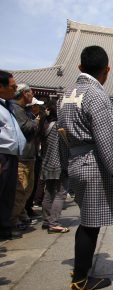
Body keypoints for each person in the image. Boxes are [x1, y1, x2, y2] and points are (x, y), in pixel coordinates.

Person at [57, 46, 113, 289]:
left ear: (80, 67)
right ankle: (80, 280)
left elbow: (60, 135)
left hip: (74, 160)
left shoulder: (66, 94)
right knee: (90, 225)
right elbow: (106, 137)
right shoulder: (96, 95)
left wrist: (65, 166)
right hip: (92, 163)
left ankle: (80, 273)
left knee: (87, 219)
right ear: (106, 69)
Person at [10, 84, 40, 231]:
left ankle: (20, 215)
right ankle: (12, 221)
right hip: (22, 156)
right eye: (31, 92)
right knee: (20, 189)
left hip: (28, 155)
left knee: (27, 189)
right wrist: (37, 120)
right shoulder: (16, 109)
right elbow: (28, 128)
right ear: (24, 93)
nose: (32, 95)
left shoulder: (23, 110)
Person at [0, 70, 26, 240]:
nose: (15, 90)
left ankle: (4, 229)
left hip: (11, 156)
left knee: (7, 195)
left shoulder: (7, 106)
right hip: (2, 156)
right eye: (12, 86)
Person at [40, 101, 69, 233]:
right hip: (58, 162)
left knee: (49, 191)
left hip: (47, 162)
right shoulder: (58, 126)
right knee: (61, 192)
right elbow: (63, 147)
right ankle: (53, 222)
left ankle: (46, 220)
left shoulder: (46, 125)